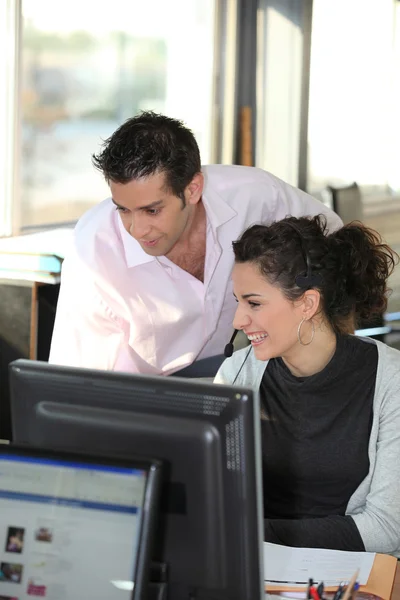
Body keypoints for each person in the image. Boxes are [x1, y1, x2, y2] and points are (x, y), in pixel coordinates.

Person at [49, 112, 342, 375]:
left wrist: (324, 340)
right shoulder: (93, 252)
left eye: (152, 210)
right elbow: (73, 384)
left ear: (192, 189)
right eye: (123, 209)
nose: (136, 230)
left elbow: (336, 241)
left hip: (233, 371)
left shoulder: (255, 196)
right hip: (140, 396)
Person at [215, 214, 400, 555]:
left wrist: (256, 533)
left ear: (307, 303)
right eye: (238, 302)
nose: (238, 320)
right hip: (254, 565)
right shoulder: (236, 375)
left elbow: (388, 528)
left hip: (347, 571)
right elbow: (213, 500)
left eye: (253, 303)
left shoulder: (392, 382)